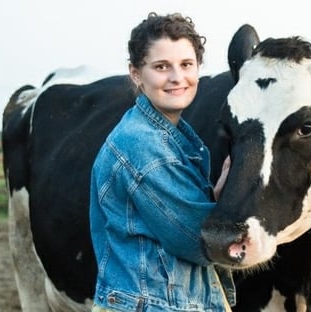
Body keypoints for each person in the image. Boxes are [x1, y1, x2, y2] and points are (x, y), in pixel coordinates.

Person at [89, 12, 235, 312]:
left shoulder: (168, 136)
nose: (177, 78)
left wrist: (215, 199)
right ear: (136, 74)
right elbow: (198, 240)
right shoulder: (144, 145)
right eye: (161, 67)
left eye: (186, 65)